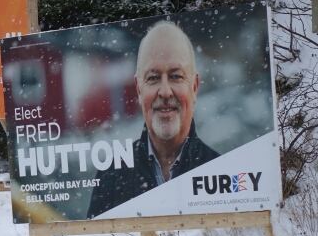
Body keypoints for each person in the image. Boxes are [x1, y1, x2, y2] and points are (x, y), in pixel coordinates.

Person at [86, 21, 219, 218]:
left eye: (175, 76)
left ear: (195, 87)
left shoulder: (220, 170)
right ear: (139, 90)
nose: (165, 92)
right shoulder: (111, 176)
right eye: (153, 78)